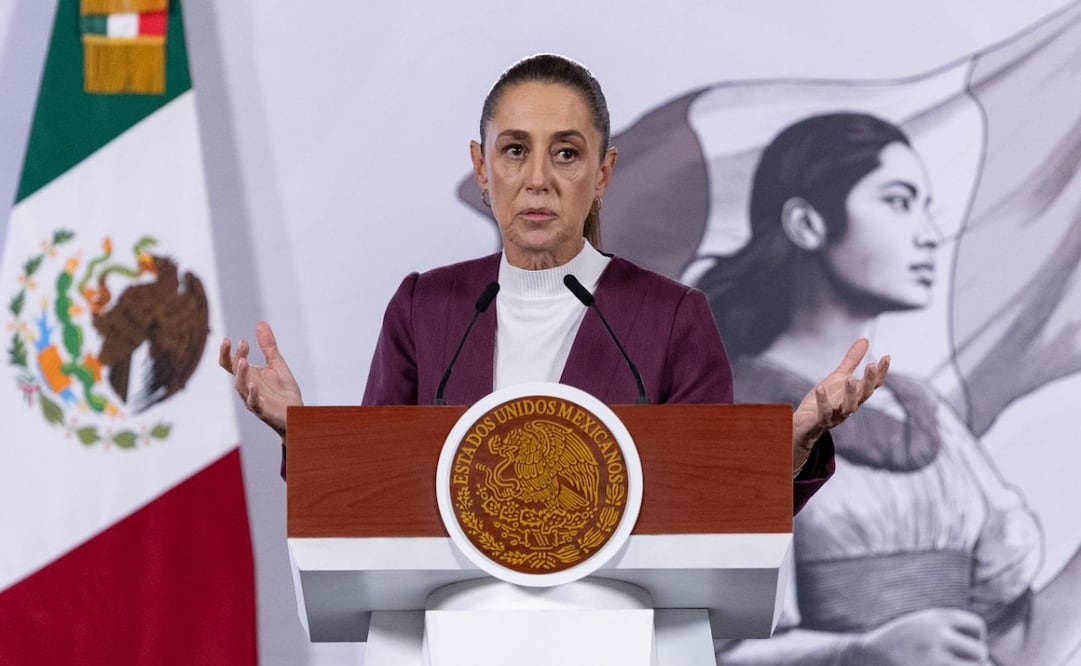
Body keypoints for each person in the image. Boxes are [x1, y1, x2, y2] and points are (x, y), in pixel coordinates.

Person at [219, 55, 889, 516]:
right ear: (482, 170)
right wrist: (301, 434)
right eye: (514, 150)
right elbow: (375, 498)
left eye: (566, 152)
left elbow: (710, 509)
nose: (537, 178)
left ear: (603, 172)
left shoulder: (671, 317)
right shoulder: (426, 309)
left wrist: (791, 445)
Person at [702, 112, 1081, 665]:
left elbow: (1014, 648)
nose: (929, 232)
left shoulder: (924, 414)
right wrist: (860, 653)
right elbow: (710, 651)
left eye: (927, 207)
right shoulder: (729, 412)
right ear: (807, 224)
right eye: (899, 202)